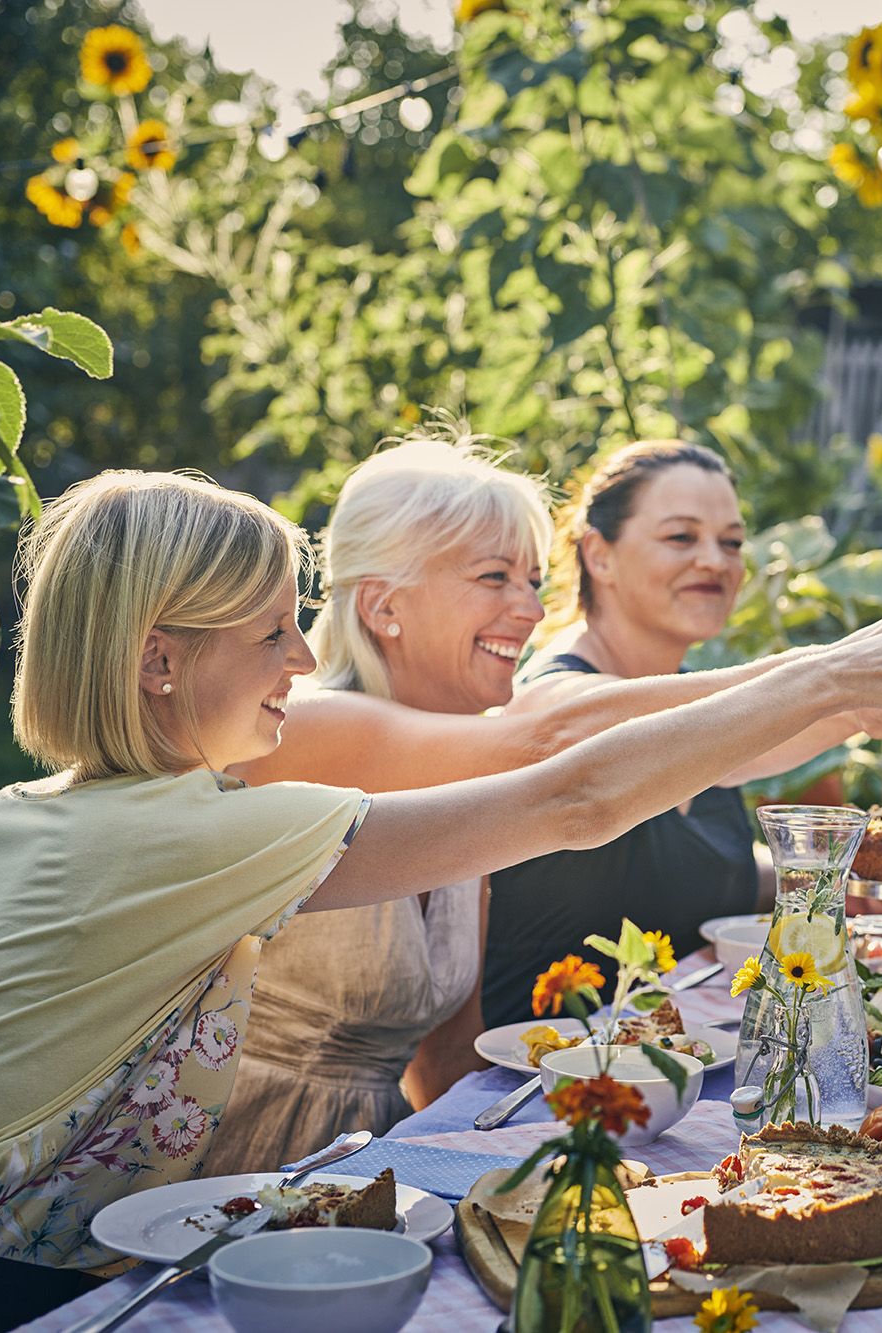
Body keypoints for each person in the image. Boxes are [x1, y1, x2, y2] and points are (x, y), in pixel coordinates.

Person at [0, 470, 882, 1330]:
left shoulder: (20, 816)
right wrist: (833, 675)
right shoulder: (184, 831)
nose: (299, 659)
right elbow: (572, 792)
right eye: (271, 632)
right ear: (157, 662)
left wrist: (844, 693)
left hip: (8, 1264)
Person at [477, 440, 882, 1025]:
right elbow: (619, 734)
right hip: (535, 1070)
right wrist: (843, 675)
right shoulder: (549, 693)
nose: (715, 561)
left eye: (732, 542)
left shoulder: (714, 705)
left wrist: (861, 879)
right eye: (681, 537)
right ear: (599, 555)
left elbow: (699, 870)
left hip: (681, 1062)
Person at [199, 436, 553, 1175]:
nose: (533, 608)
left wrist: (504, 1175)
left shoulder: (464, 768)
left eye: (534, 580)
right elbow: (560, 749)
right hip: (228, 1167)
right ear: (383, 604)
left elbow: (448, 1060)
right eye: (495, 577)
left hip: (371, 1170)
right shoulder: (301, 728)